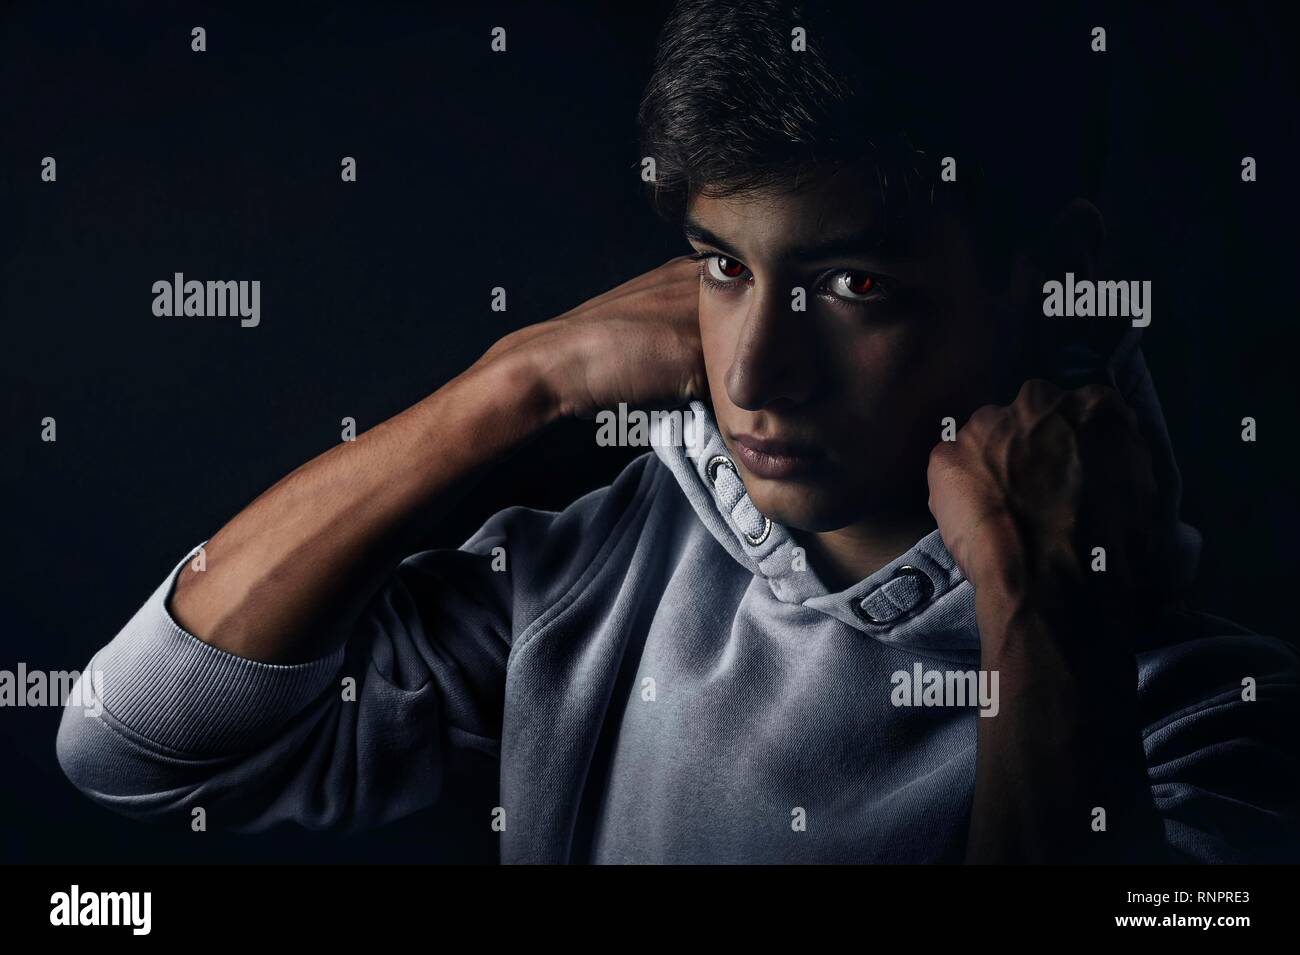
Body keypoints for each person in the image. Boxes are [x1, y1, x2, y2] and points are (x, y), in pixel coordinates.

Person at [57, 0, 1297, 863]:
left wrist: (1041, 605)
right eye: (720, 266)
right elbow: (128, 748)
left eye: (853, 284)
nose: (756, 369)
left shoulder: (1210, 712)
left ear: (1054, 271)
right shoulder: (603, 571)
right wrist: (513, 383)